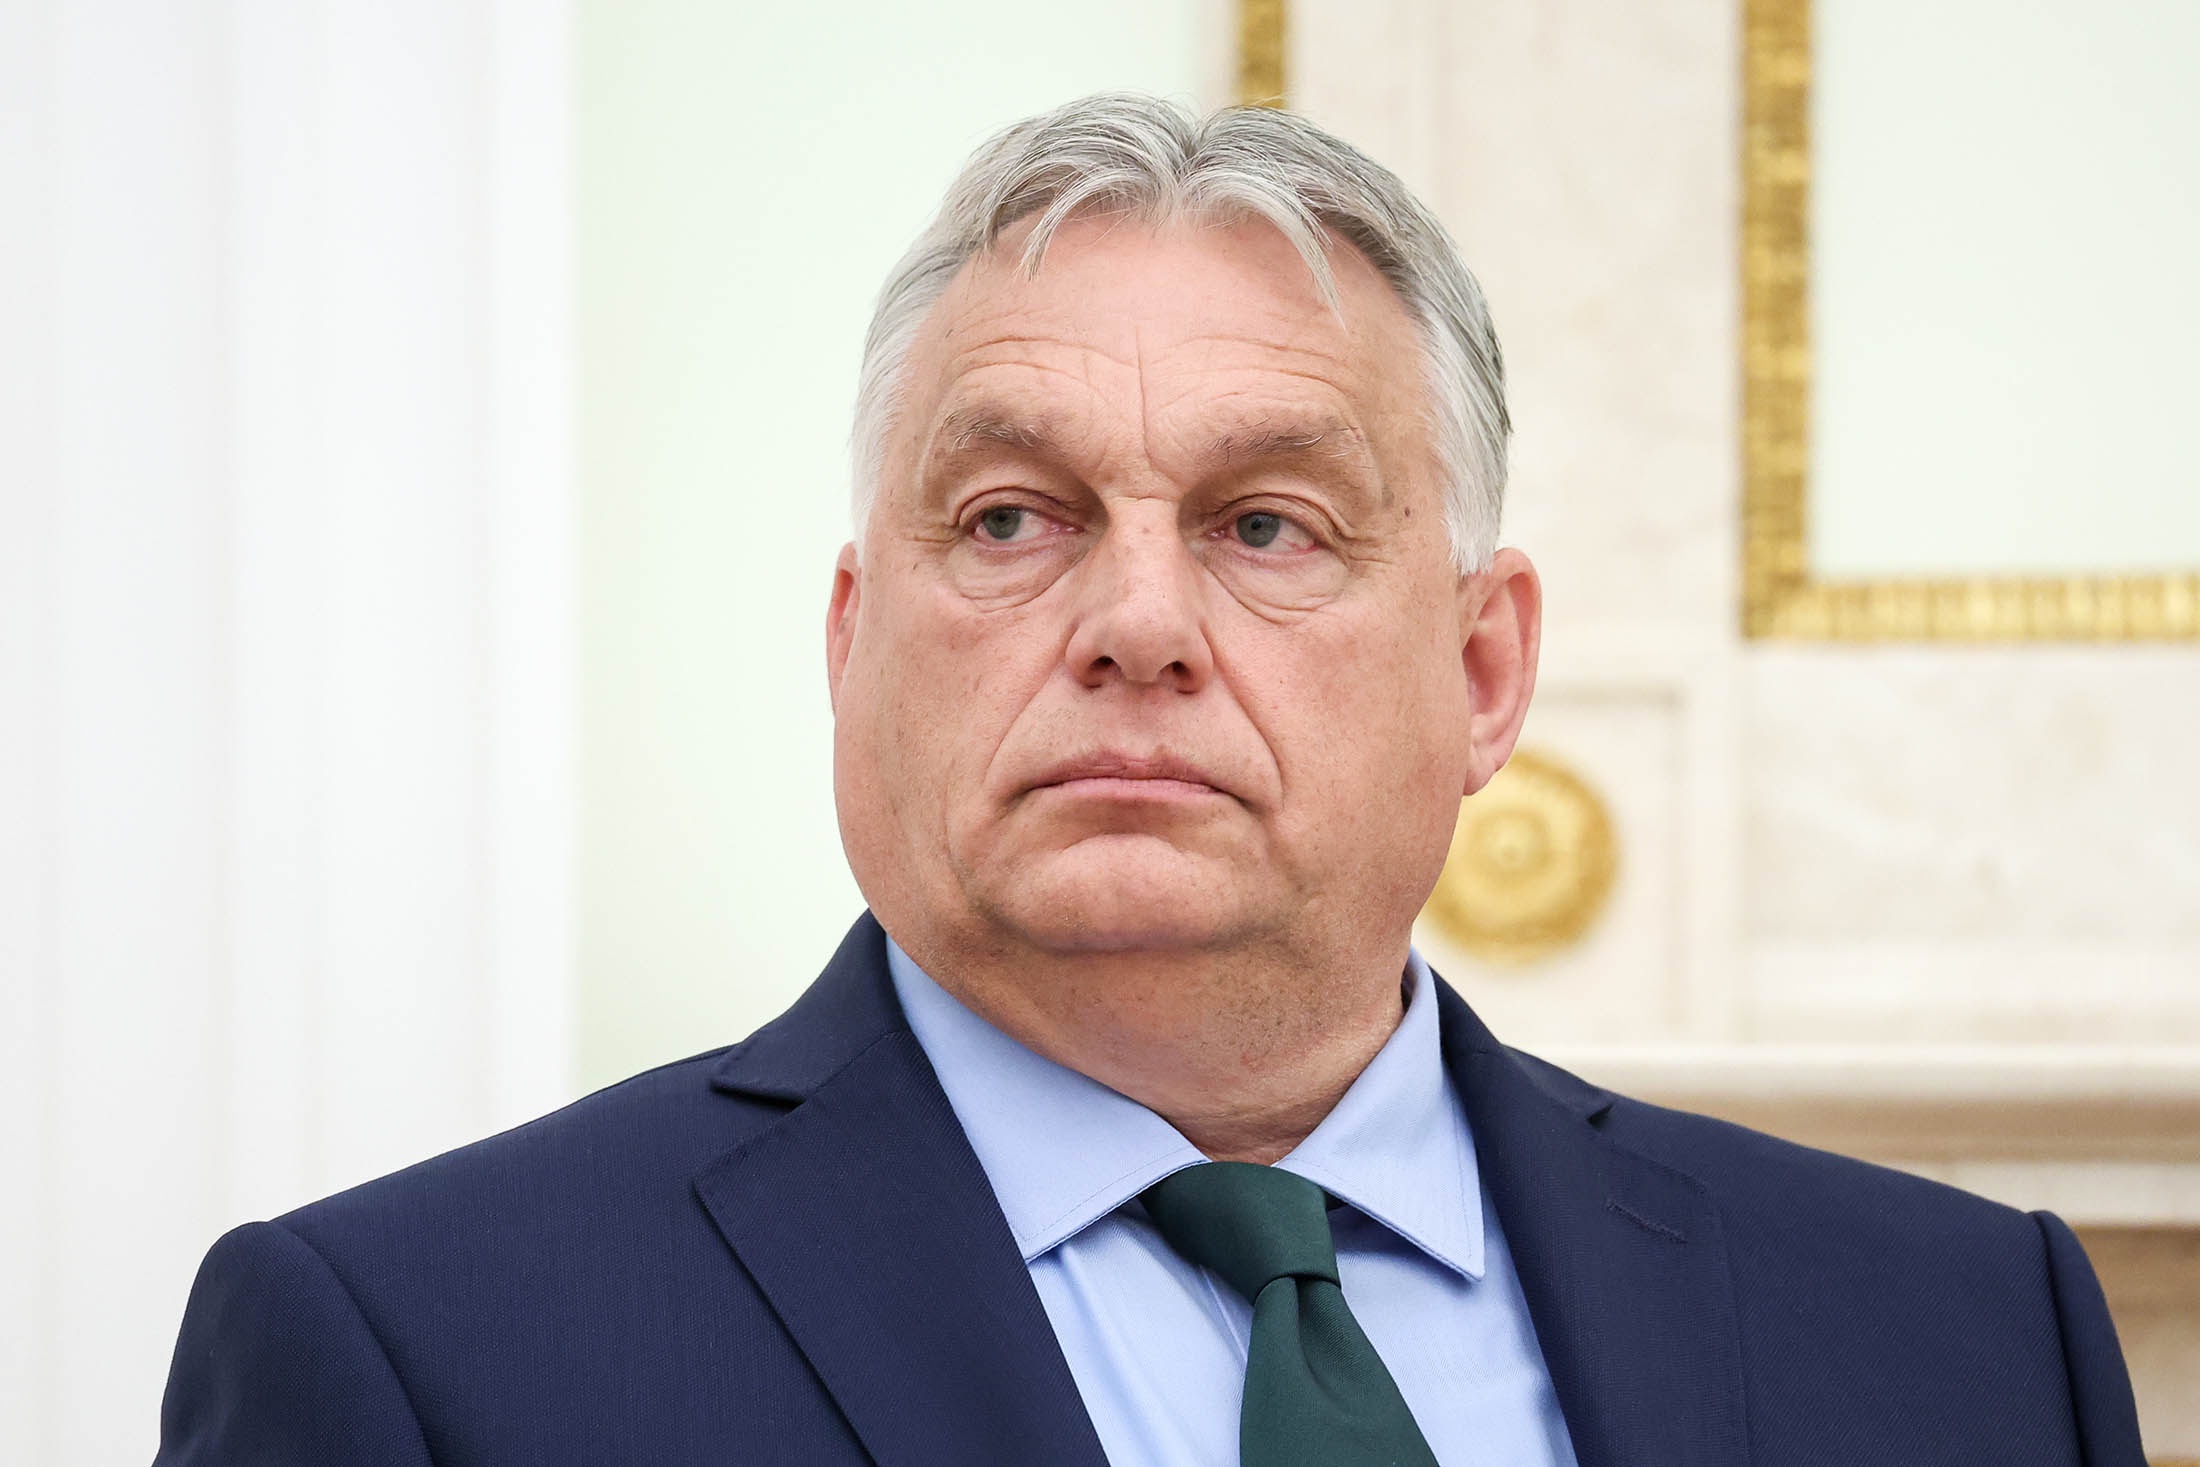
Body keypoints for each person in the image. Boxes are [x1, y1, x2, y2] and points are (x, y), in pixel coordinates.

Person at [154, 93, 2144, 1467]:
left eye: (1267, 525)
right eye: (1010, 518)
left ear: (1480, 670)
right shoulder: (420, 1355)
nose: (1133, 621)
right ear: (851, 646)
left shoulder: (1965, 1340)